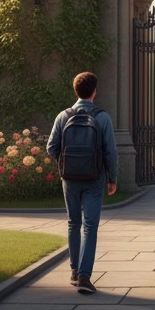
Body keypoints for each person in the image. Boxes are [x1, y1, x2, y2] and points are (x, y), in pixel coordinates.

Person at [47, 71, 118, 294]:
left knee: (73, 223)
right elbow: (111, 152)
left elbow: (51, 147)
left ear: (76, 91)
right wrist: (112, 178)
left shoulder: (63, 116)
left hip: (69, 178)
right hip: (94, 177)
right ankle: (85, 276)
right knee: (90, 226)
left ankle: (74, 270)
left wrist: (66, 162)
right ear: (94, 92)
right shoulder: (102, 117)